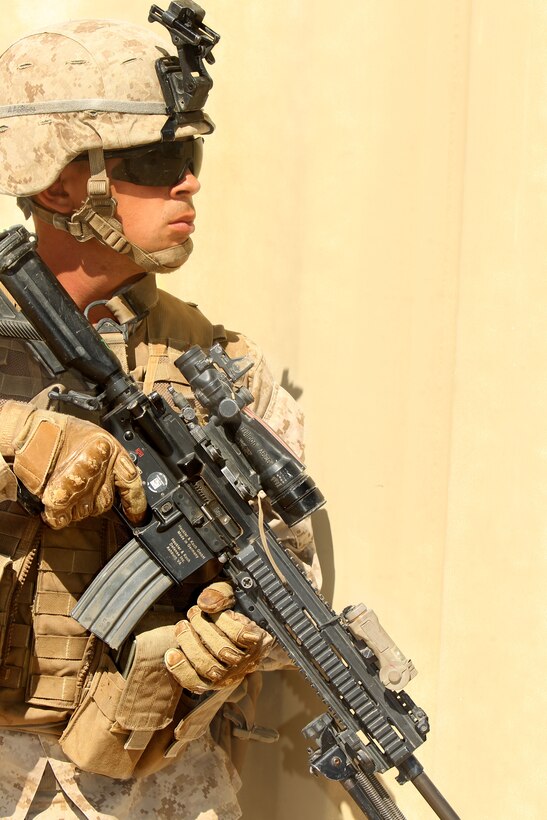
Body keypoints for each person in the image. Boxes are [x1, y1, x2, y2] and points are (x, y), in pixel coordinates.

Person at [0, 7, 319, 819]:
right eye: (159, 156)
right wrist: (21, 441)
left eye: (193, 153)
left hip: (155, 787)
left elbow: (294, 580)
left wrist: (237, 643)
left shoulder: (224, 368)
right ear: (61, 180)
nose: (190, 181)